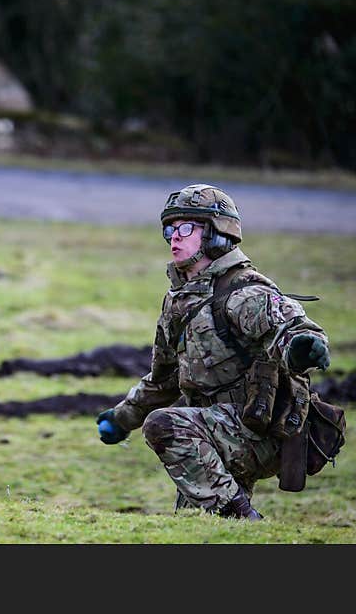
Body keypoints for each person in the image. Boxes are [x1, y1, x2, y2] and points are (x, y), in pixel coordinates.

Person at [95, 184, 330, 519]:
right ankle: (239, 521)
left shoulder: (243, 291)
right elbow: (163, 381)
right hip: (208, 432)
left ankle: (245, 518)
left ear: (217, 236)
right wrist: (121, 419)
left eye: (187, 228)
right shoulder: (178, 301)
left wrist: (302, 347)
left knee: (163, 425)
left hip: (257, 432)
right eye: (170, 229)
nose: (174, 237)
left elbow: (292, 328)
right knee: (197, 527)